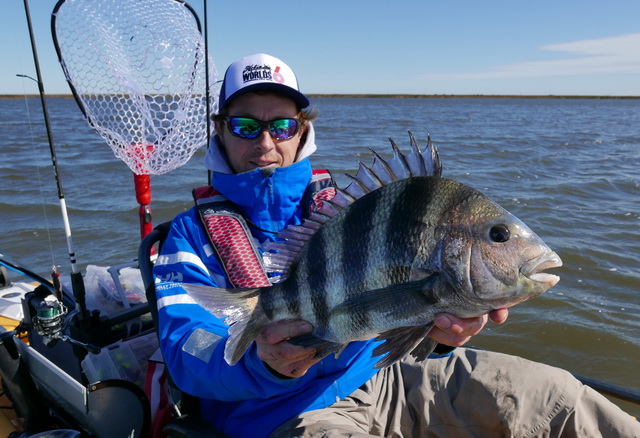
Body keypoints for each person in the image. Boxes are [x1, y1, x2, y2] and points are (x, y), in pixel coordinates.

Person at [152, 53, 640, 438]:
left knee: (562, 400)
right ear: (219, 131)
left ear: (303, 129)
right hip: (279, 413)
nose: (265, 142)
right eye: (244, 125)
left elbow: (395, 314)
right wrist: (265, 364)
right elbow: (185, 349)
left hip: (389, 375)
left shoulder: (339, 208)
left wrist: (440, 339)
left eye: (281, 125)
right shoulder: (191, 237)